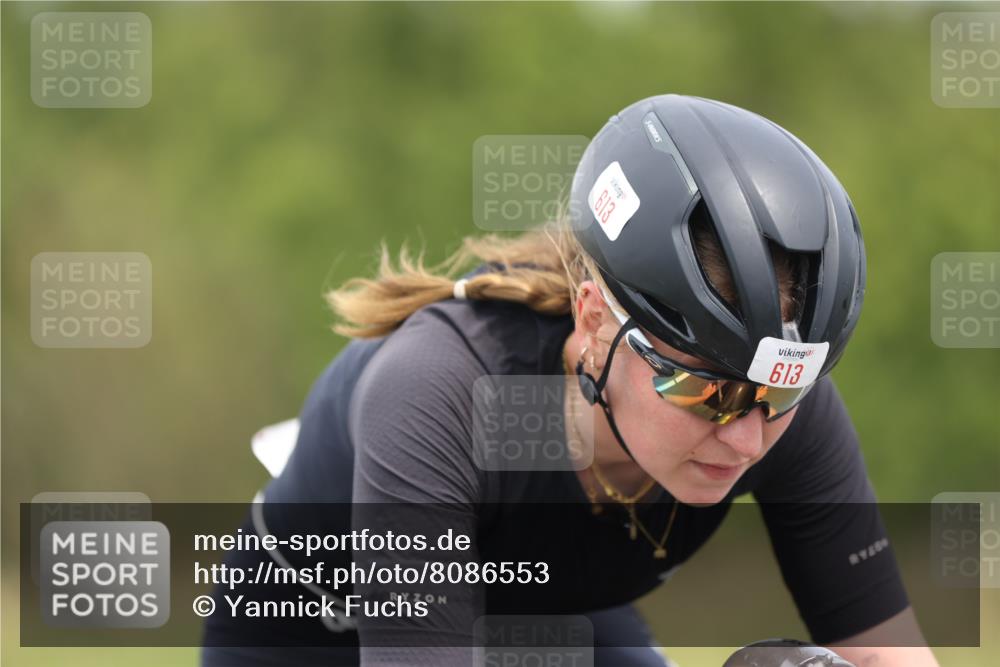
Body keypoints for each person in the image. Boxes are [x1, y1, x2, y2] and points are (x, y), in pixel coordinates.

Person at [200, 94, 940, 666]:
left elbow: (884, 650)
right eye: (705, 390)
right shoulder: (443, 391)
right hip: (310, 633)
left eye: (781, 397)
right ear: (594, 322)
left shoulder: (775, 398)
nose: (748, 436)